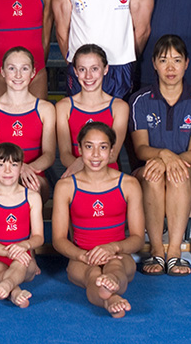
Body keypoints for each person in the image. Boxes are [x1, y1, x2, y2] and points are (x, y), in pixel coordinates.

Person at [129, 35, 191, 276]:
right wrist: (164, 155)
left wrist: (173, 162)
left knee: (177, 175)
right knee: (156, 176)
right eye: (164, 60)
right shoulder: (140, 101)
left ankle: (175, 253)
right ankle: (156, 251)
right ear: (154, 63)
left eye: (177, 60)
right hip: (151, 170)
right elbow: (141, 150)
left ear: (186, 63)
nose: (170, 67)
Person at [52, 123, 144, 318]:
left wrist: (112, 248)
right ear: (79, 149)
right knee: (91, 274)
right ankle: (110, 298)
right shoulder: (66, 186)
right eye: (89, 146)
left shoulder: (128, 184)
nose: (95, 154)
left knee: (115, 267)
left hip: (120, 255)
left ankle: (110, 284)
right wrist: (82, 256)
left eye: (102, 147)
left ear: (112, 152)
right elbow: (58, 239)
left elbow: (137, 238)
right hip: (81, 257)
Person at [0, 47, 55, 199]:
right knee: (3, 192)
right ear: (2, 72)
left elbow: (49, 154)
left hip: (35, 174)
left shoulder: (45, 109)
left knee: (32, 190)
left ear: (33, 73)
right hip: (1, 175)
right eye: (12, 68)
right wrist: (16, 169)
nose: (18, 75)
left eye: (24, 69)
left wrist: (28, 169)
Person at [0, 143, 43, 308]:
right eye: (1, 165)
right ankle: (15, 292)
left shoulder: (32, 197)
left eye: (13, 165)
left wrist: (23, 246)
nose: (7, 171)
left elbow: (39, 237)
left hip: (24, 258)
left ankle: (7, 286)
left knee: (21, 264)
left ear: (21, 168)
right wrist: (9, 253)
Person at [55, 44, 129, 179]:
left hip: (108, 176)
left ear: (105, 69)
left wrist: (81, 161)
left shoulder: (119, 107)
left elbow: (112, 155)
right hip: (76, 174)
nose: (88, 76)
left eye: (94, 69)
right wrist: (79, 166)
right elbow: (65, 155)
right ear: (75, 72)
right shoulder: (64, 106)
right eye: (82, 69)